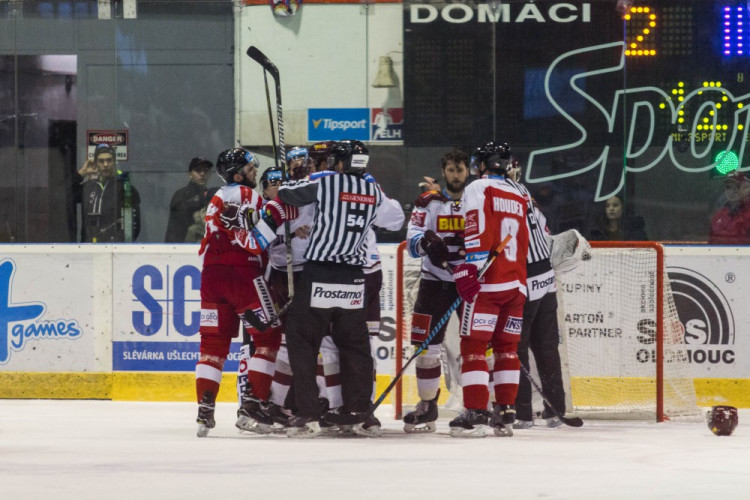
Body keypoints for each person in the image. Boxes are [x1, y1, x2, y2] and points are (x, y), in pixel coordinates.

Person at [277, 140, 403, 438]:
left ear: (341, 162)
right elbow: (395, 218)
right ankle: (358, 411)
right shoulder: (373, 190)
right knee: (355, 346)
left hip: (321, 271)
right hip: (354, 278)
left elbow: (288, 196)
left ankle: (307, 411)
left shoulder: (326, 182)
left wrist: (285, 180)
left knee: (302, 340)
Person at [195, 147, 296, 438]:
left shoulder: (216, 197)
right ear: (238, 173)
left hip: (211, 278)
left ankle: (204, 412)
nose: (255, 173)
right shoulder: (247, 196)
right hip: (241, 275)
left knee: (213, 346)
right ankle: (254, 404)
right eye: (251, 169)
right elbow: (254, 243)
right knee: (268, 335)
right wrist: (276, 215)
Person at [449, 141, 529, 438]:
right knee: (508, 348)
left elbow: (476, 226)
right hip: (517, 283)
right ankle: (506, 412)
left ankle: (477, 412)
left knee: (474, 348)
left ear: (484, 163)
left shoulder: (478, 188)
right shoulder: (520, 193)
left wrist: (472, 266)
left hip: (489, 282)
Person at [402, 149, 470, 433]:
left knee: (479, 345)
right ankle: (428, 404)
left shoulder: (476, 198)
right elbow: (412, 238)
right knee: (425, 347)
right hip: (434, 281)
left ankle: (483, 406)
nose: (456, 174)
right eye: (451, 169)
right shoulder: (428, 202)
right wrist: (426, 245)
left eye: (461, 169)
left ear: (468, 171)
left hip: (470, 282)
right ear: (444, 172)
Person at [504, 156, 568, 430]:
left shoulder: (501, 196)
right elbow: (545, 232)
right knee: (547, 347)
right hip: (547, 278)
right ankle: (556, 410)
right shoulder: (528, 196)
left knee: (514, 347)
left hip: (527, 278)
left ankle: (522, 413)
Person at [79, 144, 141, 242]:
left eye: (109, 160)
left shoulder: (126, 188)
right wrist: (81, 173)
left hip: (114, 251)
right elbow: (63, 196)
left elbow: (132, 227)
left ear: (114, 162)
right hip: (89, 250)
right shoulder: (88, 187)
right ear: (95, 163)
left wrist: (114, 247)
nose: (105, 164)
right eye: (101, 161)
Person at [165, 157, 218, 243]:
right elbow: (177, 227)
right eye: (198, 170)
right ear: (189, 174)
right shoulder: (181, 195)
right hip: (182, 246)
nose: (202, 174)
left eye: (206, 170)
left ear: (210, 174)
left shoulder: (210, 195)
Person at [708, 171, 750, 244]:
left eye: (737, 187)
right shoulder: (718, 216)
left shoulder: (748, 215)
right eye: (728, 187)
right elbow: (710, 244)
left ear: (746, 189)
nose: (732, 191)